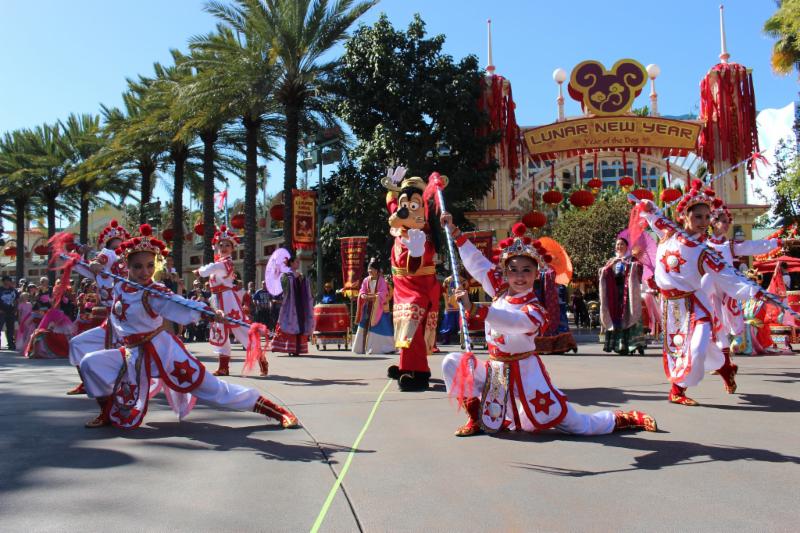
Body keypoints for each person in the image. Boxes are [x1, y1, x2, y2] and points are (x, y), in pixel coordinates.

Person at [439, 216, 657, 437]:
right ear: (505, 273)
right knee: (452, 362)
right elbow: (477, 263)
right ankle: (476, 417)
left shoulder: (535, 310)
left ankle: (622, 419)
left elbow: (514, 322)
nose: (520, 276)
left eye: (526, 270)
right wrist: (456, 234)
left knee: (577, 426)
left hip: (526, 376)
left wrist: (476, 309)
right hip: (496, 372)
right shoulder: (499, 290)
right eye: (513, 270)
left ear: (536, 273)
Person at [79, 223, 297, 429]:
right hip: (132, 354)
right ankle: (106, 410)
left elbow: (180, 304)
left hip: (163, 353)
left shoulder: (155, 293)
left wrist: (209, 313)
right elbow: (94, 269)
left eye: (149, 266)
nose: (145, 272)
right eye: (137, 266)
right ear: (126, 266)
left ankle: (275, 411)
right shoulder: (120, 286)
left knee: (213, 388)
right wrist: (92, 263)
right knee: (90, 363)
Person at [639, 180, 765, 405]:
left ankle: (677, 390)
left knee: (696, 347)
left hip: (695, 304)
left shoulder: (705, 251)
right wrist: (647, 205)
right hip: (671, 305)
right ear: (684, 216)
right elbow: (653, 214)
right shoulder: (668, 232)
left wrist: (754, 291)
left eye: (707, 217)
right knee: (684, 346)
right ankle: (725, 368)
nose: (704, 222)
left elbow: (729, 277)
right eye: (698, 217)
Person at [707, 200, 786, 373]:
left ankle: (729, 352)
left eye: (728, 222)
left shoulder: (730, 245)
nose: (727, 225)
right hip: (710, 288)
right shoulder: (703, 245)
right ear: (713, 222)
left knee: (731, 317)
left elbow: (752, 246)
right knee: (715, 323)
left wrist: (775, 243)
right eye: (724, 221)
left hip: (728, 288)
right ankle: (721, 362)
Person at [66, 220, 130, 395]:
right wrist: (80, 254)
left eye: (120, 247)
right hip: (111, 322)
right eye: (112, 247)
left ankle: (127, 384)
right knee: (76, 344)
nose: (115, 251)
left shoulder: (129, 268)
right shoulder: (102, 265)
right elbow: (82, 265)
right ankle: (87, 382)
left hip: (127, 321)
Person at [194, 225, 267, 376]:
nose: (224, 247)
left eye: (227, 245)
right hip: (218, 300)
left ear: (232, 248)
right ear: (217, 247)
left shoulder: (224, 263)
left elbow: (207, 270)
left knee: (241, 331)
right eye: (221, 245)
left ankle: (261, 359)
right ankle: (223, 367)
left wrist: (199, 271)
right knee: (220, 331)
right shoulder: (221, 263)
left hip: (227, 301)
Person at [599, 237, 646, 355]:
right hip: (615, 294)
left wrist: (629, 265)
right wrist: (608, 268)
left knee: (630, 315)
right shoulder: (612, 260)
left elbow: (640, 269)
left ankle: (634, 344)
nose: (619, 247)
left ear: (626, 246)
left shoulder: (632, 259)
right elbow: (602, 272)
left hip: (629, 293)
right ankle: (619, 345)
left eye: (621, 244)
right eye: (617, 245)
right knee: (617, 317)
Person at [269, 251, 313, 357]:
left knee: (300, 323)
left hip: (300, 303)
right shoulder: (286, 275)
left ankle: (297, 348)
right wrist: (292, 279)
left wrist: (302, 280)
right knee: (289, 323)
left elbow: (305, 287)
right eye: (296, 262)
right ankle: (289, 347)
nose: (298, 263)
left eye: (298, 262)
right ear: (291, 263)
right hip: (290, 304)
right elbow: (284, 288)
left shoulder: (300, 275)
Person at [352, 258, 395, 355]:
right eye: (369, 269)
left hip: (379, 307)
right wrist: (362, 295)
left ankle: (387, 348)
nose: (369, 271)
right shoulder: (366, 280)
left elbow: (383, 292)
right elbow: (362, 290)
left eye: (371, 269)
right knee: (364, 326)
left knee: (383, 326)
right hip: (368, 307)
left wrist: (375, 297)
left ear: (376, 270)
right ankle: (362, 348)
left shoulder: (381, 280)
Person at [438, 272, 467, 345]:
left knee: (461, 323)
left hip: (459, 304)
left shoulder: (462, 279)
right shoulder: (447, 280)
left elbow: (466, 288)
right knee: (448, 323)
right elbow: (444, 293)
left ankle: (463, 340)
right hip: (450, 304)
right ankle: (446, 339)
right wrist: (446, 304)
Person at [0, 275, 18, 351]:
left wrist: (16, 309)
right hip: (1, 312)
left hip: (11, 311)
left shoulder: (13, 290)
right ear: (3, 281)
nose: (9, 282)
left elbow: (16, 300)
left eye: (9, 280)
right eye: (7, 280)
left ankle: (11, 344)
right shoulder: (0, 289)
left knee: (11, 329)